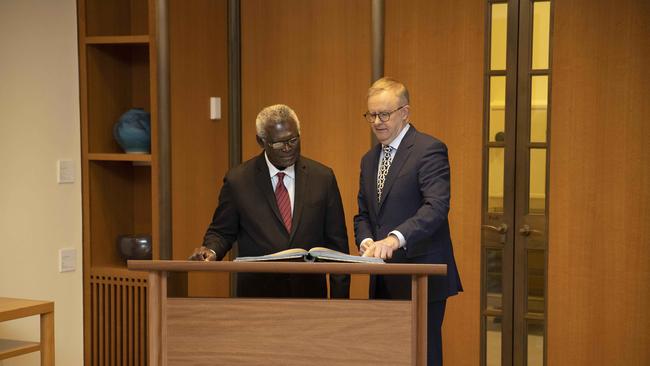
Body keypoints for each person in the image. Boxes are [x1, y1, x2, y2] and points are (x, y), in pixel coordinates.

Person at [190, 104, 350, 299]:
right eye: (279, 143)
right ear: (261, 141)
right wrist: (211, 251)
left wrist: (340, 304)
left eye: (293, 140)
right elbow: (222, 231)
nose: (288, 148)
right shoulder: (239, 180)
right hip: (258, 296)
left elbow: (337, 247)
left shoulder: (322, 178)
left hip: (310, 296)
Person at [354, 77, 462, 366]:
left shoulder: (429, 149)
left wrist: (394, 239)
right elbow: (364, 213)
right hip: (383, 278)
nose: (377, 121)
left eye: (384, 114)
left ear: (405, 112)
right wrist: (366, 240)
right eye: (371, 115)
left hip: (421, 275)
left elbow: (436, 207)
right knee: (387, 357)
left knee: (422, 357)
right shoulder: (369, 159)